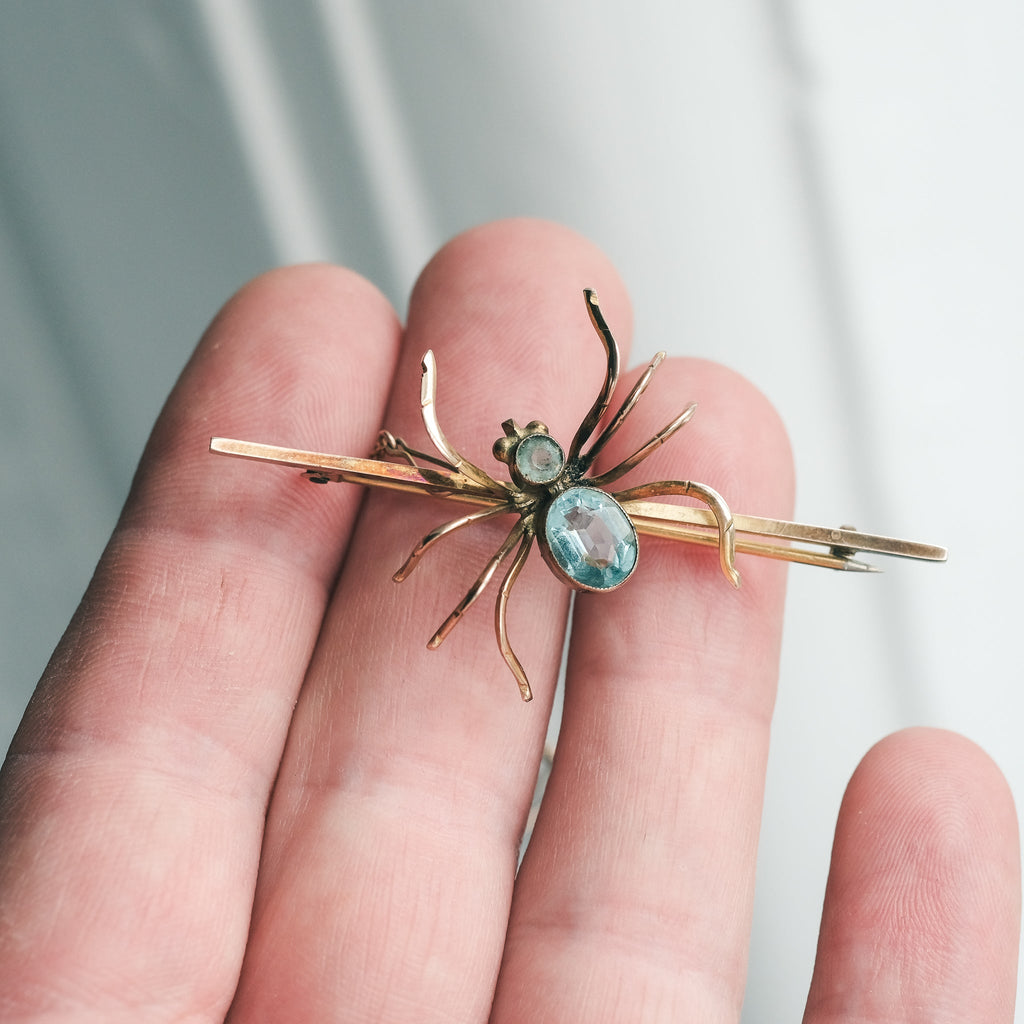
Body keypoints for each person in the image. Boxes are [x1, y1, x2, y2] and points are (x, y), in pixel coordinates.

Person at [0, 220, 1017, 1022]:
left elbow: (627, 428)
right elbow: (464, 532)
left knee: (685, 502)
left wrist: (612, 368)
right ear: (524, 463)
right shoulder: (499, 505)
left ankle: (814, 537)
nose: (532, 442)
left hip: (592, 529)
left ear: (545, 454)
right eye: (527, 445)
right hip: (577, 531)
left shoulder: (543, 494)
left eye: (535, 441)